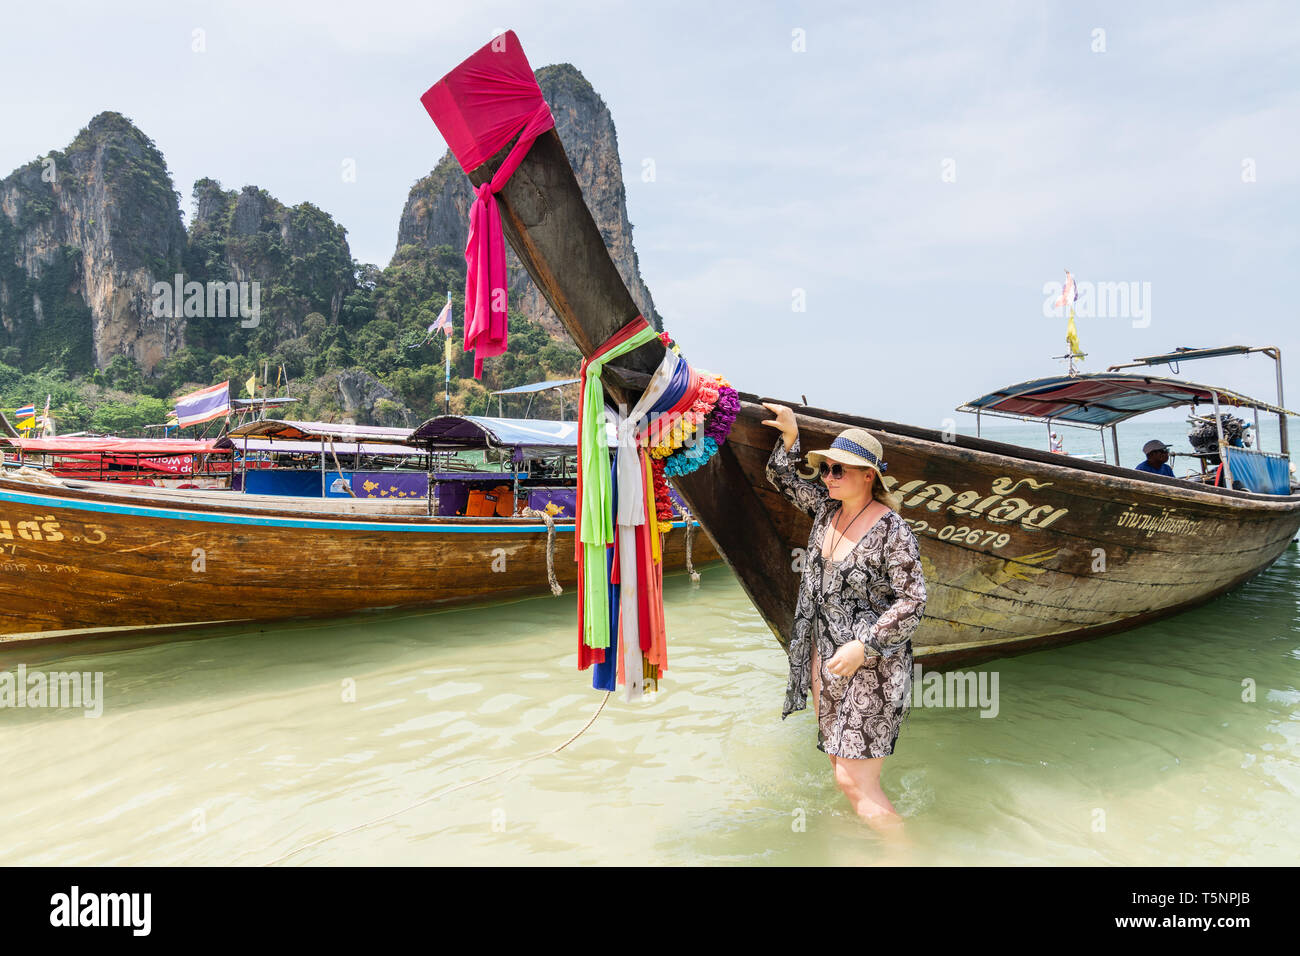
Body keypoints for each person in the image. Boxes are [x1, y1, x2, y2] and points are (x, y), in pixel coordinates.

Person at [761, 402, 926, 829]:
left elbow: (913, 601)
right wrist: (791, 438)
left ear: (870, 475)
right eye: (828, 468)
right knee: (841, 773)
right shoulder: (826, 510)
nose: (829, 477)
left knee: (856, 783)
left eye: (840, 470)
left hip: (872, 667)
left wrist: (864, 645)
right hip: (827, 660)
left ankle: (904, 855)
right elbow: (780, 477)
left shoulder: (893, 531)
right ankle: (863, 849)